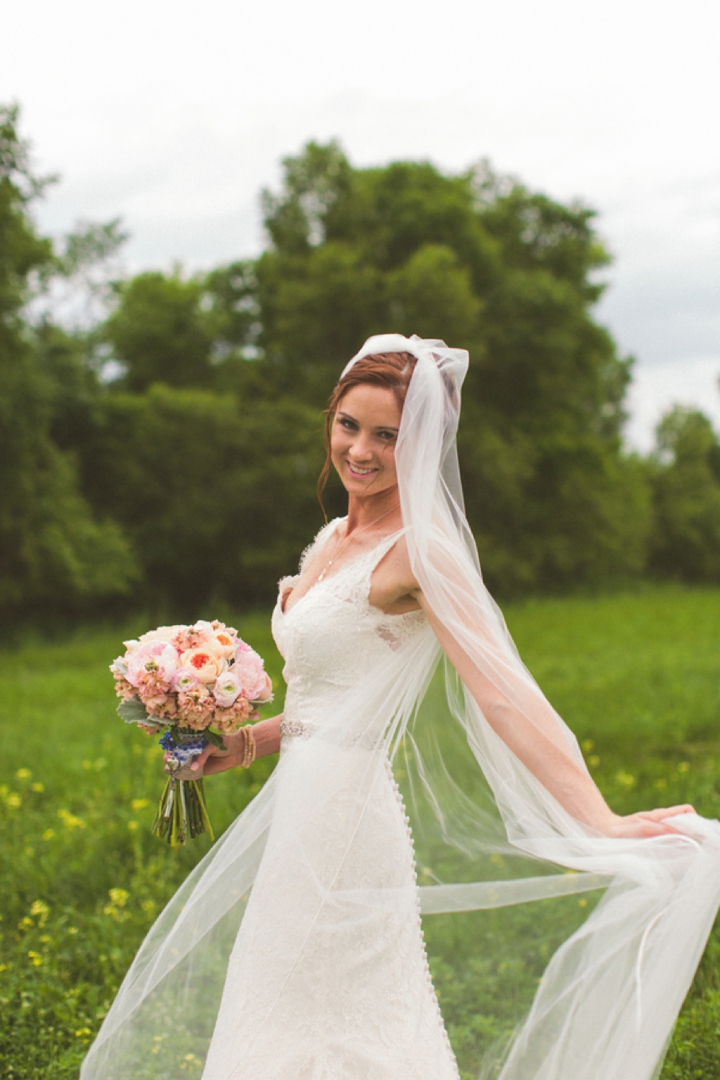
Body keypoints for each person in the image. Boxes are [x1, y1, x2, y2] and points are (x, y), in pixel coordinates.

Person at [81, 335, 720, 1080]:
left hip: (348, 817)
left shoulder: (420, 551)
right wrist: (242, 744)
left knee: (347, 1011)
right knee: (286, 1000)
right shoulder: (332, 538)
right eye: (349, 424)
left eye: (388, 435)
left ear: (421, 444)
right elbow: (330, 704)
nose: (361, 449)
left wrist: (596, 816)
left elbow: (502, 689)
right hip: (302, 808)